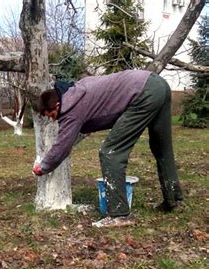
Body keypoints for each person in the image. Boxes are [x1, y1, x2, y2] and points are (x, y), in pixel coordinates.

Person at [32, 70, 184, 228]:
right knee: (161, 147)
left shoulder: (71, 109)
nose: (52, 119)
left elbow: (61, 148)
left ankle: (120, 215)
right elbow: (74, 135)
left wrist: (42, 167)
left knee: (111, 152)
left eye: (51, 115)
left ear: (57, 105)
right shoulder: (76, 91)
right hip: (157, 84)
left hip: (142, 94)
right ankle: (174, 200)